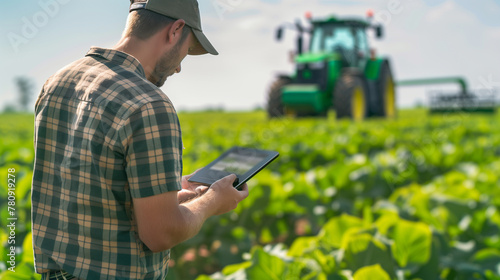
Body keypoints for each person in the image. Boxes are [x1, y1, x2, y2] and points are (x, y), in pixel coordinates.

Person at [31, 0, 249, 279]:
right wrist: (213, 201)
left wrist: (172, 194)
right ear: (175, 30)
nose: (180, 68)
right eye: (186, 50)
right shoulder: (148, 103)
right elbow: (161, 233)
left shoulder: (58, 81)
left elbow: (88, 186)